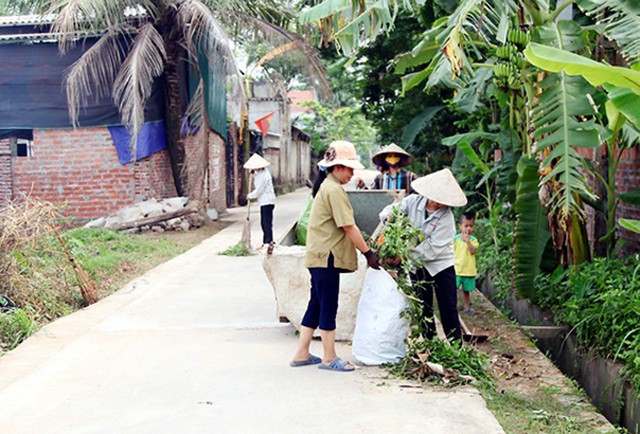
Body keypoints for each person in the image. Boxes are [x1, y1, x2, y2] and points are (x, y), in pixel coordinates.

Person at [292, 141, 380, 372]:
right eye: (349, 168)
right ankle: (329, 357)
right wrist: (369, 253)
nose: (352, 173)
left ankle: (302, 353)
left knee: (317, 302)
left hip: (318, 255)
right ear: (337, 167)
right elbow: (348, 227)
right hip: (327, 257)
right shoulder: (333, 190)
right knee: (328, 304)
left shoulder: (327, 187)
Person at [379, 168, 467, 342]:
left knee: (447, 306)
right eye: (435, 198)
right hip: (417, 265)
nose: (437, 203)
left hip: (441, 264)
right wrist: (390, 218)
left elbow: (432, 248)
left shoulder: (446, 217)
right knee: (423, 305)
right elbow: (386, 212)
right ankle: (430, 343)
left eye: (442, 201)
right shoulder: (412, 202)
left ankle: (455, 346)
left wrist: (403, 257)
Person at [244, 154, 276, 248]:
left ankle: (268, 242)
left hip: (267, 201)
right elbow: (257, 178)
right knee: (265, 222)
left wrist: (250, 196)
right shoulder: (261, 173)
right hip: (265, 201)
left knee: (266, 223)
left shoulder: (264, 175)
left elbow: (259, 190)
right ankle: (267, 242)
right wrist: (253, 174)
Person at [454, 212, 479, 314]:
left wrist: (467, 241)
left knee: (466, 290)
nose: (468, 228)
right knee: (453, 289)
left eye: (471, 226)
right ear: (460, 227)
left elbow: (473, 251)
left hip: (468, 270)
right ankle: (452, 305)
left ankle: (467, 307)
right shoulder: (455, 239)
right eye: (466, 226)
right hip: (457, 269)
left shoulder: (473, 240)